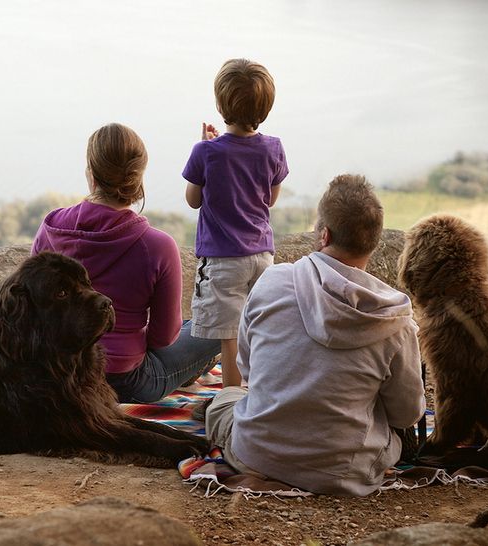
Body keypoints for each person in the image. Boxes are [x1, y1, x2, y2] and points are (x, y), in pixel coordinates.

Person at [203, 174, 426, 496]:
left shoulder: (272, 281)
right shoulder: (396, 321)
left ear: (324, 234)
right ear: (374, 243)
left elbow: (250, 371)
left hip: (256, 457)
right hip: (347, 473)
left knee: (226, 398)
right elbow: (407, 414)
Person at [32, 123, 220, 404]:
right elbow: (162, 339)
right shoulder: (157, 245)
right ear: (138, 178)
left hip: (59, 376)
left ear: (91, 174)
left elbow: (32, 311)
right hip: (128, 382)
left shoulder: (51, 227)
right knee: (218, 326)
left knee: (193, 327)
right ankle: (192, 369)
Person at [182, 58, 289, 388]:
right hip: (262, 256)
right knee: (257, 330)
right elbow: (269, 199)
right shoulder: (274, 148)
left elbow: (193, 199)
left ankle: (231, 403)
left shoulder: (206, 152)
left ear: (220, 103)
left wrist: (208, 147)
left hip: (224, 260)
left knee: (229, 337)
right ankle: (261, 394)